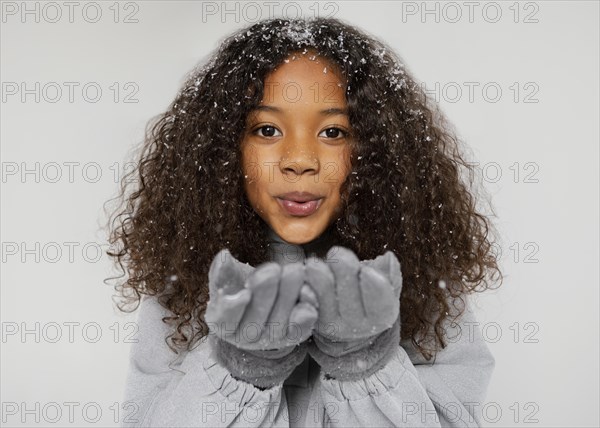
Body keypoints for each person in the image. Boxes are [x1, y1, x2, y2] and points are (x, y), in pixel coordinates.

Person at [105, 17, 502, 427]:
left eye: (332, 131)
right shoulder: (182, 284)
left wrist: (366, 362)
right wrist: (240, 369)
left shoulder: (424, 279)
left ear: (376, 151)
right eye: (267, 129)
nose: (299, 160)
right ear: (223, 150)